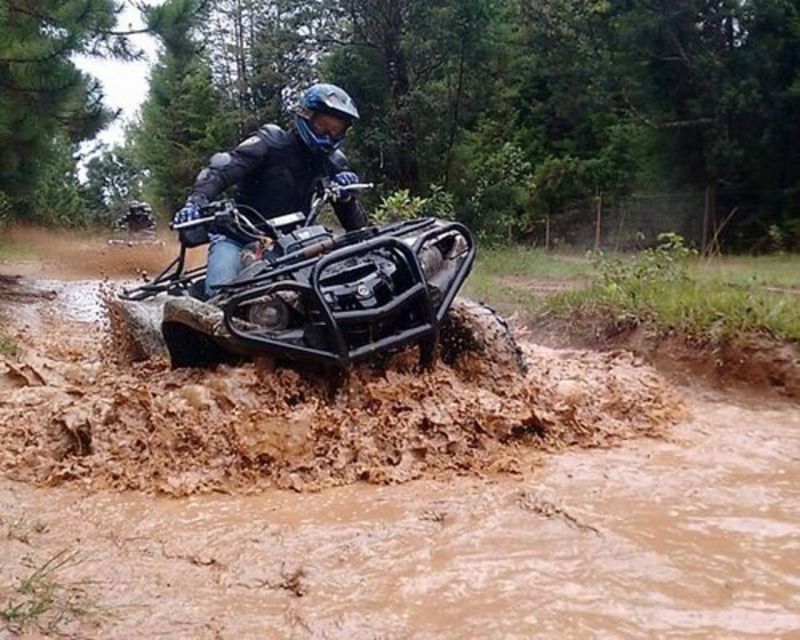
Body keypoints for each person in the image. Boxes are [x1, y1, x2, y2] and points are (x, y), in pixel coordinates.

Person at [172, 83, 366, 297]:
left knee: (336, 290)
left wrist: (348, 197)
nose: (329, 135)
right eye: (323, 126)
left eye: (336, 130)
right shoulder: (270, 142)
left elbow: (356, 229)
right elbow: (221, 169)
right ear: (306, 116)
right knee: (220, 293)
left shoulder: (334, 163)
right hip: (239, 237)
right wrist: (196, 202)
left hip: (298, 244)